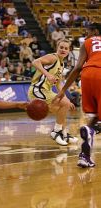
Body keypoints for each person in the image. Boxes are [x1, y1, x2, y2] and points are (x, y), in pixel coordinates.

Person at [55, 23, 101, 168]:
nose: (86, 35)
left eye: (88, 32)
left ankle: (85, 156)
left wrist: (63, 90)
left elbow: (78, 67)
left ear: (95, 31)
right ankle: (95, 128)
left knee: (94, 118)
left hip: (87, 76)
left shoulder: (86, 43)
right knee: (97, 119)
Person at [28, 39, 78, 146]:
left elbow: (58, 84)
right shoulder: (53, 57)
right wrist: (47, 74)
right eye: (61, 47)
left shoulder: (61, 64)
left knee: (62, 109)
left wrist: (67, 99)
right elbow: (35, 62)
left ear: (69, 51)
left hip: (46, 91)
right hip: (38, 90)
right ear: (57, 48)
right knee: (64, 105)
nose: (63, 50)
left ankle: (64, 133)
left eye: (66, 48)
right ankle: (56, 132)